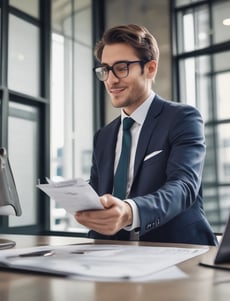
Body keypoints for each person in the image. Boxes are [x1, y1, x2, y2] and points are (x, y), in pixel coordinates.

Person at [74, 24, 217, 246]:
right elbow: (99, 193)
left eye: (121, 68)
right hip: (112, 254)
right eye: (105, 69)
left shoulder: (182, 118)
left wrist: (130, 211)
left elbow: (183, 186)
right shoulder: (103, 136)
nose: (111, 80)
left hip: (177, 249)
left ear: (150, 68)